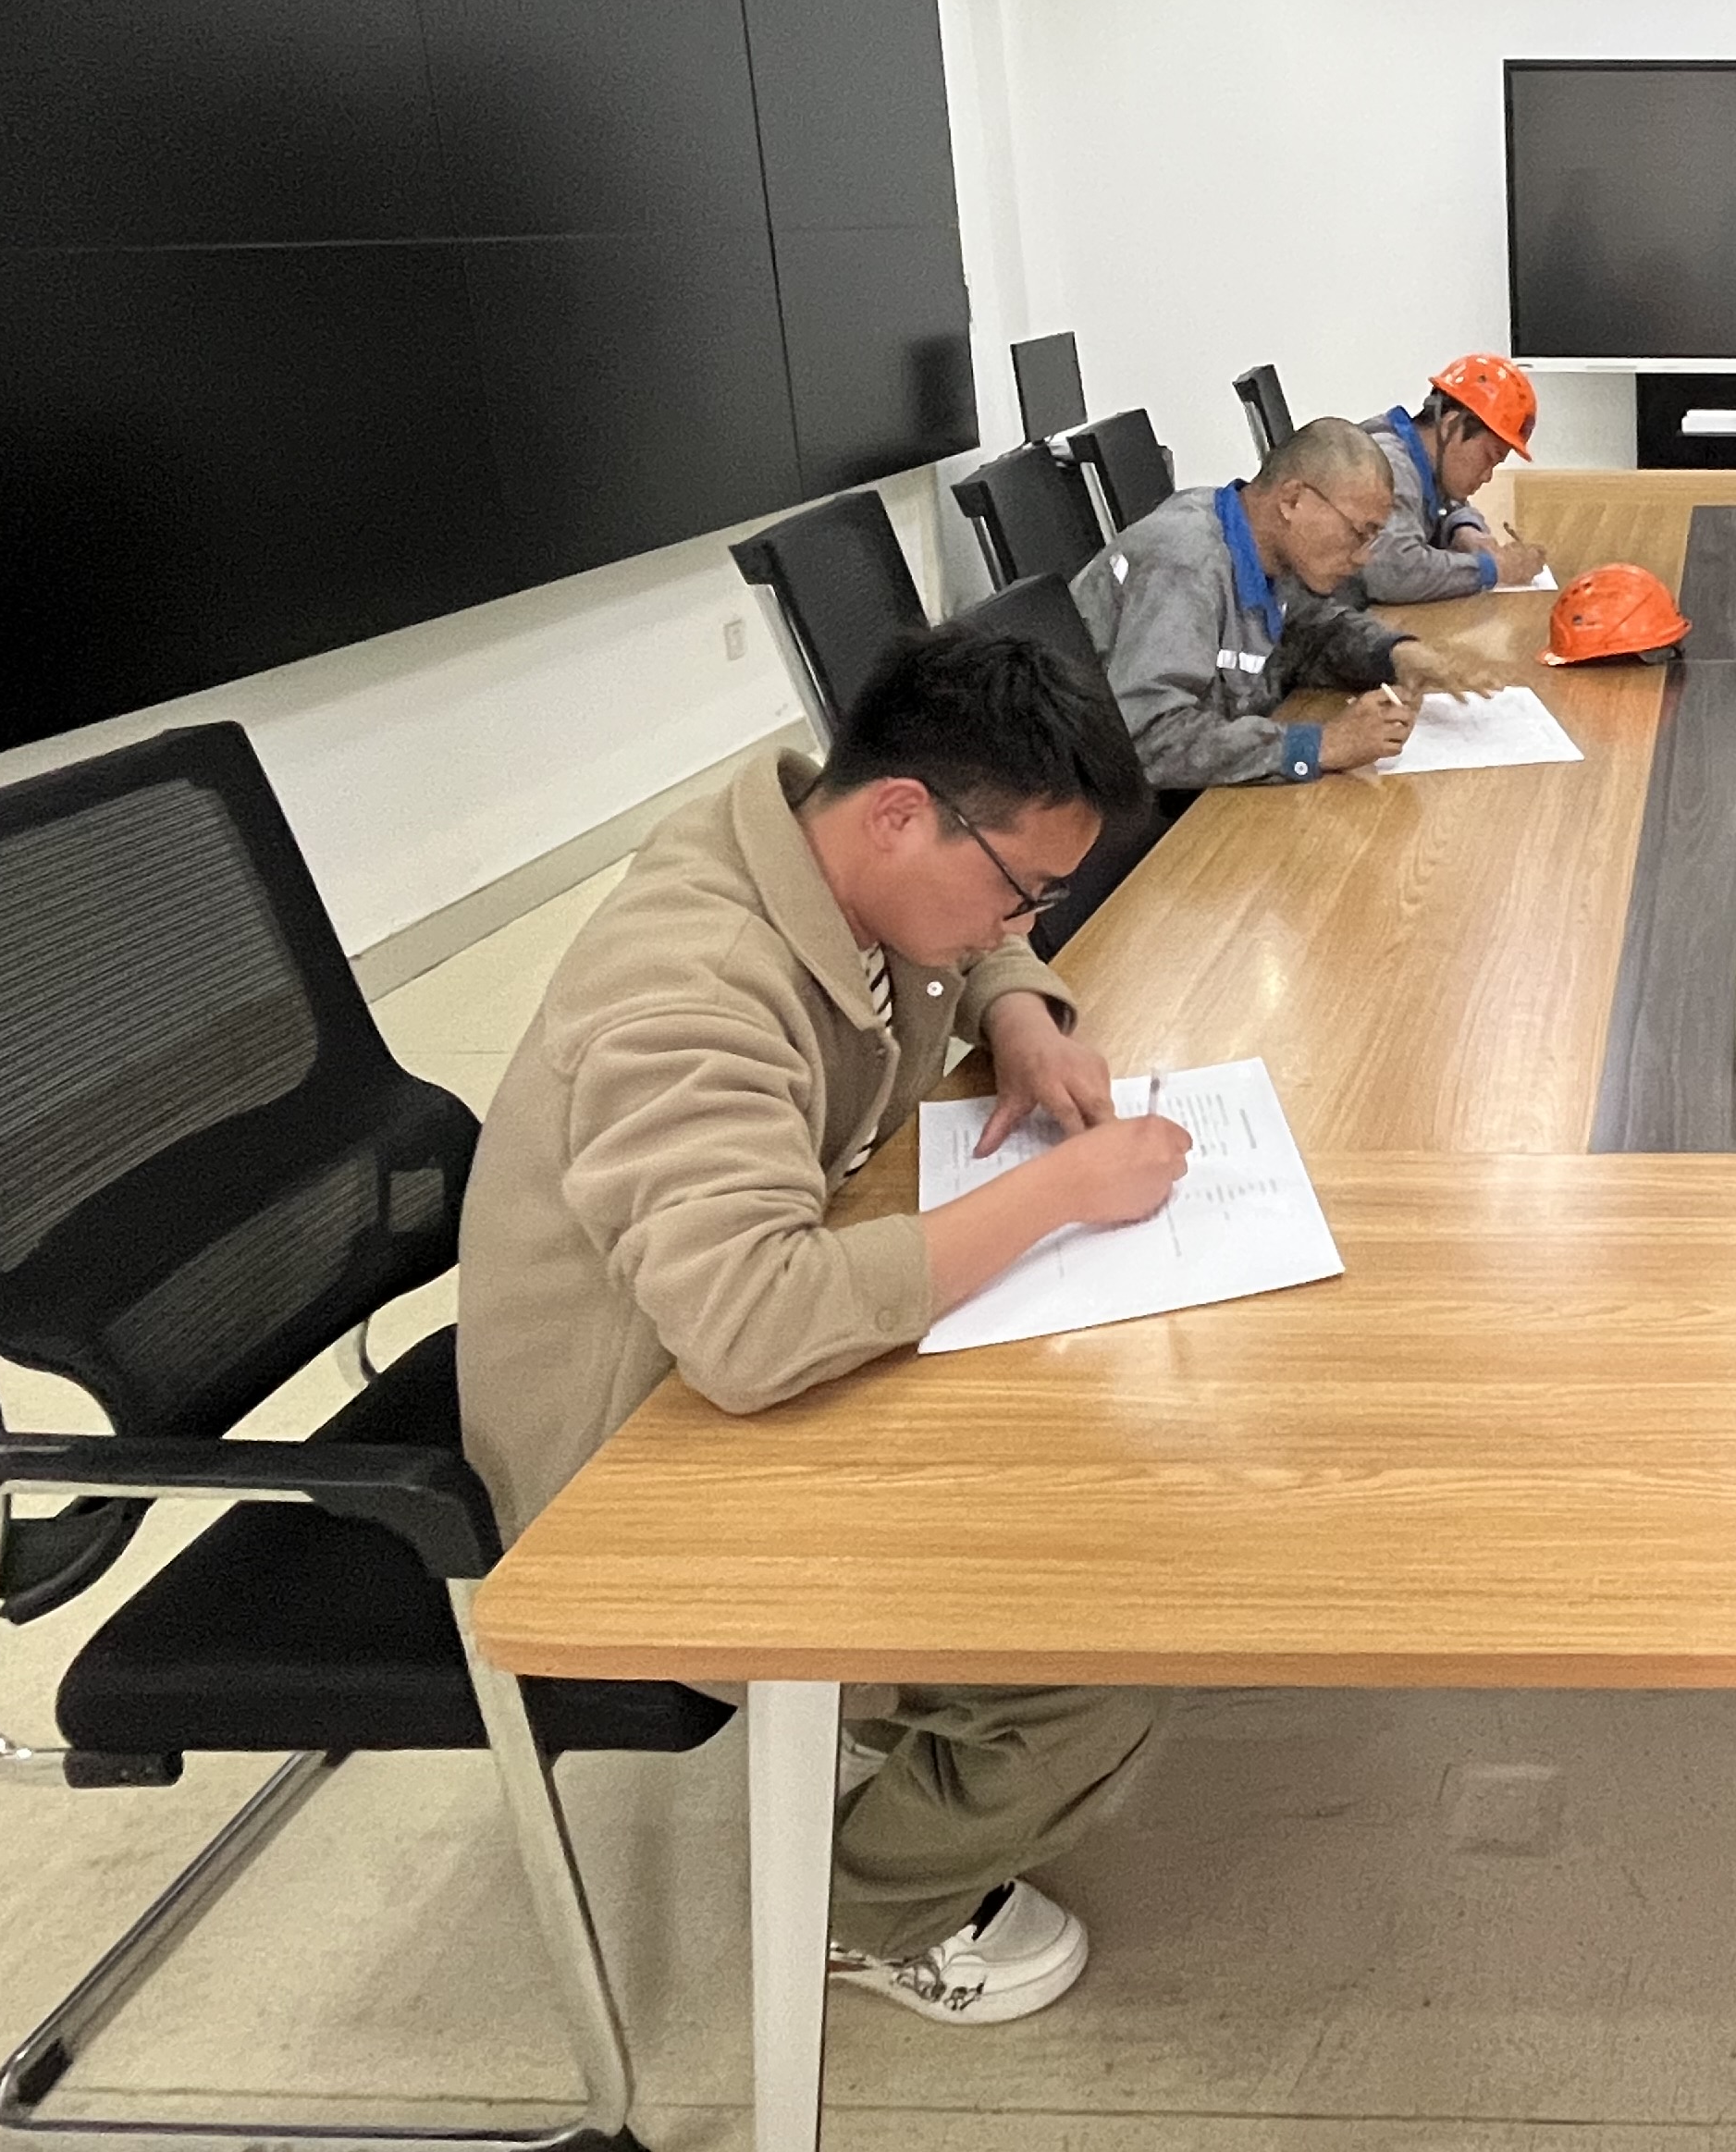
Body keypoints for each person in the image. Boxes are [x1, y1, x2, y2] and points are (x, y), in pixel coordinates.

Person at [457, 624, 1189, 2023]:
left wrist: (1020, 1014)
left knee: (1102, 1476)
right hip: (626, 1478)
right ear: (904, 813)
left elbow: (954, 948)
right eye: (1021, 892)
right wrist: (1056, 1191)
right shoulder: (688, 988)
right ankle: (857, 1912)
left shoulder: (820, 845)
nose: (1020, 922)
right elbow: (749, 1328)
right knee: (1102, 1647)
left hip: (712, 1373)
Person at [1074, 417, 1499, 788]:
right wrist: (1319, 745)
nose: (1365, 557)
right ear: (1293, 500)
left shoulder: (1265, 546)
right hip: (1122, 814)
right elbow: (1146, 736)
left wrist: (1394, 655)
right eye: (1360, 533)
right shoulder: (1185, 563)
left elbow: (1309, 634)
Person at [1356, 353, 1551, 599]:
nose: (1488, 476)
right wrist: (1494, 569)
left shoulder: (1425, 463)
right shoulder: (1388, 465)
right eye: (1489, 457)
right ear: (1451, 425)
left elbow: (1448, 504)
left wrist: (1464, 530)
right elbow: (1394, 571)